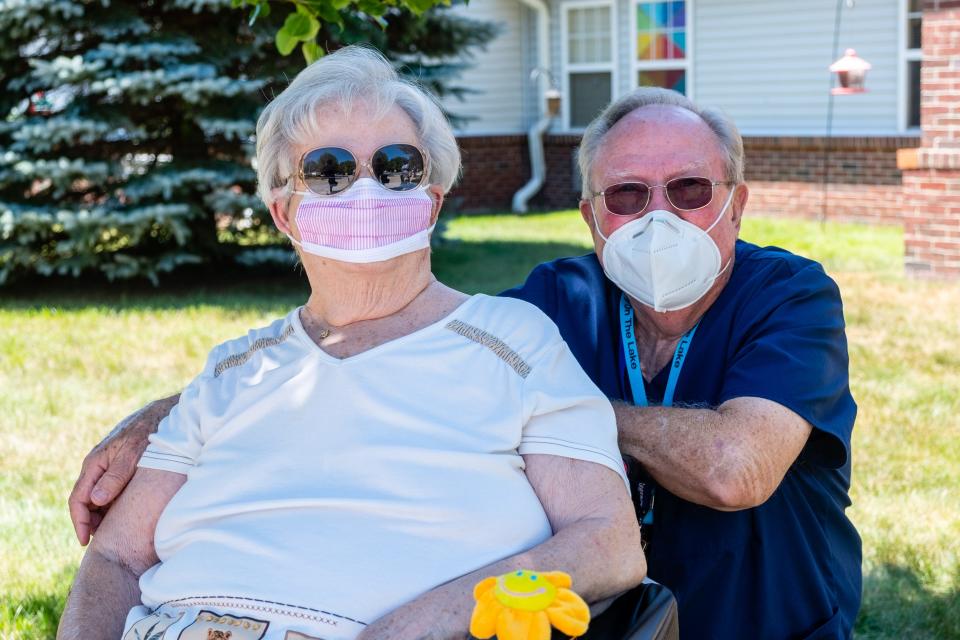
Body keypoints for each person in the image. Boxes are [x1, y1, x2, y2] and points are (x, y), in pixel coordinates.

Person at [69, 86, 862, 639]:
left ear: (735, 201)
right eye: (626, 196)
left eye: (689, 189)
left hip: (758, 618)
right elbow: (387, 336)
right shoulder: (557, 300)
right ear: (589, 215)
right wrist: (167, 416)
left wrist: (573, 416)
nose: (658, 215)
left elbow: (734, 468)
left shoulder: (788, 295)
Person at [57, 46, 646, 640]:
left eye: (397, 167)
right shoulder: (234, 369)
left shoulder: (514, 342)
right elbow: (117, 557)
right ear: (283, 212)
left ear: (432, 200)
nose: (367, 186)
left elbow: (610, 543)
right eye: (329, 170)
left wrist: (419, 623)